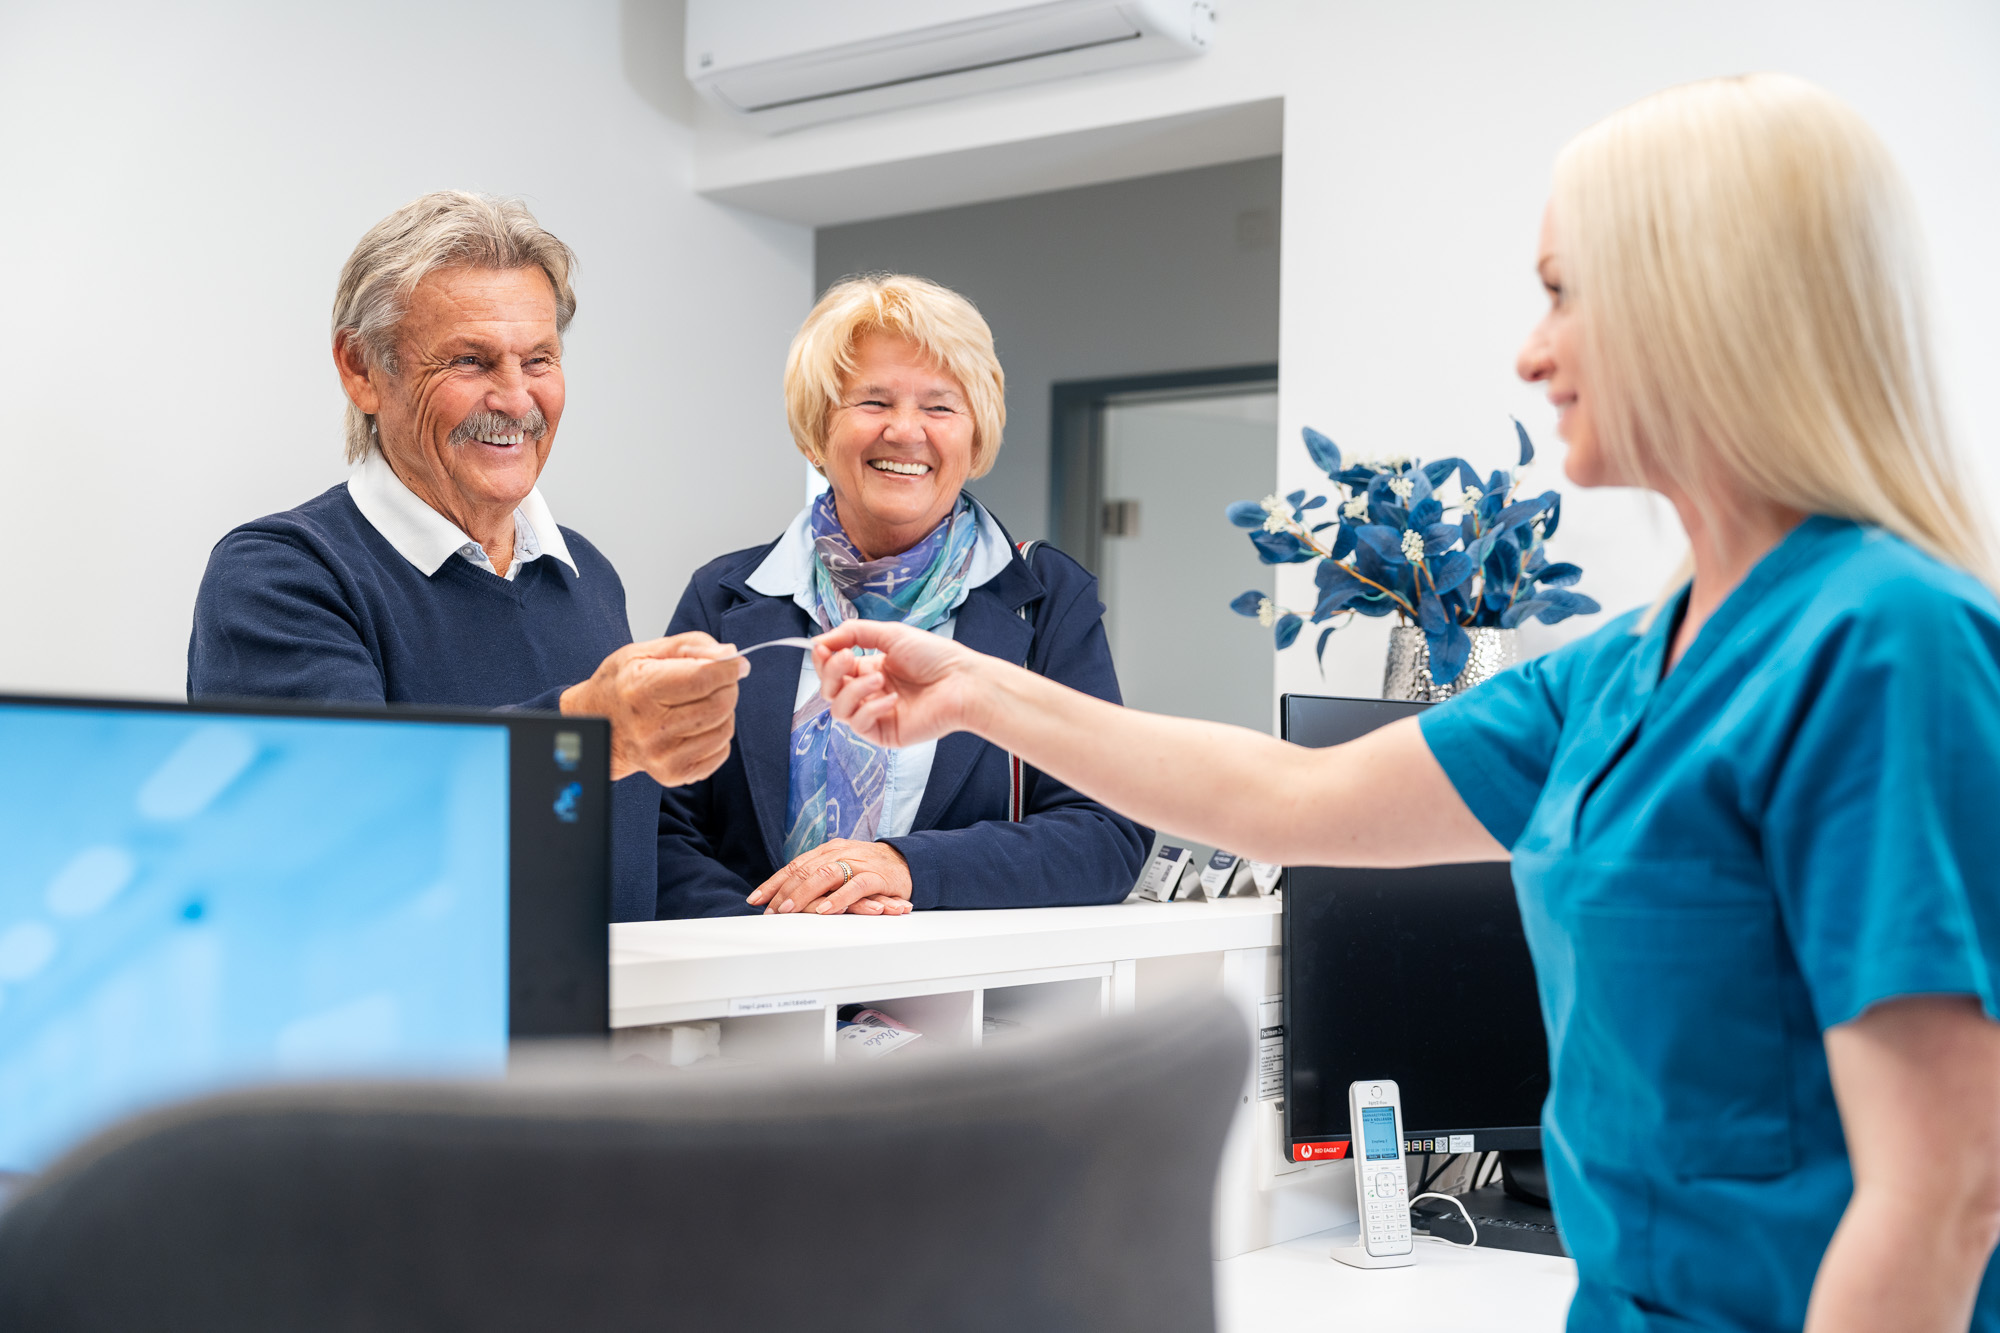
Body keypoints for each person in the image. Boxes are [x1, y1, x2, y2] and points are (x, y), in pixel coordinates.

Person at [811, 77, 2000, 1332]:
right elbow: (1292, 798)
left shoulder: (1885, 644)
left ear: (1704, 299)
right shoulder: (1624, 671)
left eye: (1561, 292)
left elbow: (1943, 1190)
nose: (1529, 353)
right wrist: (976, 692)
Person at [189, 191, 745, 922]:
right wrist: (590, 733)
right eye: (470, 360)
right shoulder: (278, 577)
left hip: (602, 1032)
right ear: (361, 369)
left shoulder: (586, 574)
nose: (516, 399)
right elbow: (351, 815)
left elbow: (643, 848)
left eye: (539, 358)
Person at [656, 274, 1149, 917]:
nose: (906, 431)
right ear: (815, 431)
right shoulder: (724, 599)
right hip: (763, 995)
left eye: (940, 406)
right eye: (873, 402)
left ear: (975, 438)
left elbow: (1107, 834)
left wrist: (907, 868)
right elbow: (661, 829)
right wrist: (777, 936)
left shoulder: (1048, 598)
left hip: (966, 1002)